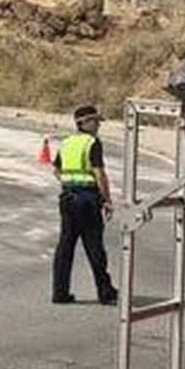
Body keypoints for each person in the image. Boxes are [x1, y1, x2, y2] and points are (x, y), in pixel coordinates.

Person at [51, 104, 117, 306]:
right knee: (94, 246)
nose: (98, 125)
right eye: (95, 121)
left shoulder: (67, 142)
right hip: (87, 199)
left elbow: (56, 170)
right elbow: (99, 173)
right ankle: (105, 292)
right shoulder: (92, 143)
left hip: (68, 198)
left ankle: (60, 293)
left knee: (65, 247)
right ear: (84, 123)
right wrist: (107, 200)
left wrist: (69, 183)